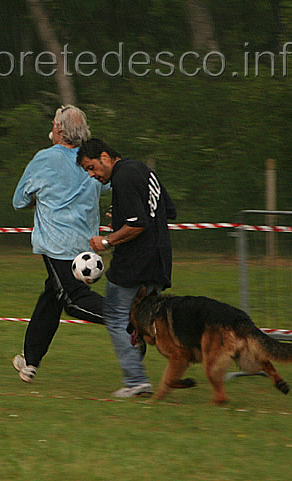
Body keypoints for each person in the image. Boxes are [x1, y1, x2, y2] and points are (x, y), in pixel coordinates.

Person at [11, 105, 109, 383]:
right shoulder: (91, 160)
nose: (51, 128)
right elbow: (111, 182)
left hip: (57, 245)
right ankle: (30, 361)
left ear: (60, 130)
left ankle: (127, 322)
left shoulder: (44, 159)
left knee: (72, 300)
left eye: (54, 124)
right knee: (51, 298)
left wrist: (39, 198)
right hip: (87, 244)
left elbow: (18, 200)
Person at [76, 138, 177, 397]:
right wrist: (120, 212)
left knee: (115, 314)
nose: (92, 175)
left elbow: (137, 224)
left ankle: (136, 380)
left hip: (135, 261)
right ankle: (181, 362)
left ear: (105, 157)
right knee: (151, 321)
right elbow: (168, 210)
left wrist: (107, 240)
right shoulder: (143, 170)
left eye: (92, 167)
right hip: (160, 258)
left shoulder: (123, 177)